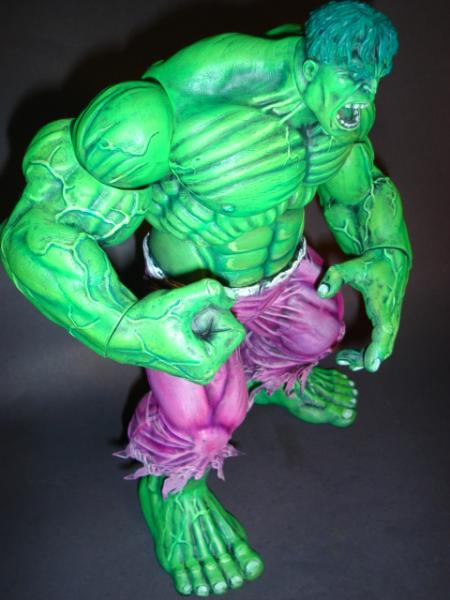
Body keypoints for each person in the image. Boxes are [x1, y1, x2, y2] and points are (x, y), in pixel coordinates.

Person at [0, 1, 411, 595]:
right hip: (197, 301)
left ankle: (279, 381)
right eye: (351, 81)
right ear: (310, 65)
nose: (362, 100)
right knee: (203, 422)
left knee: (320, 329)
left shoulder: (341, 105)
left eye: (371, 84)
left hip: (285, 274)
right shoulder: (169, 109)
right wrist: (128, 328)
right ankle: (173, 493)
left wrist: (390, 256)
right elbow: (35, 231)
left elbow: (359, 194)